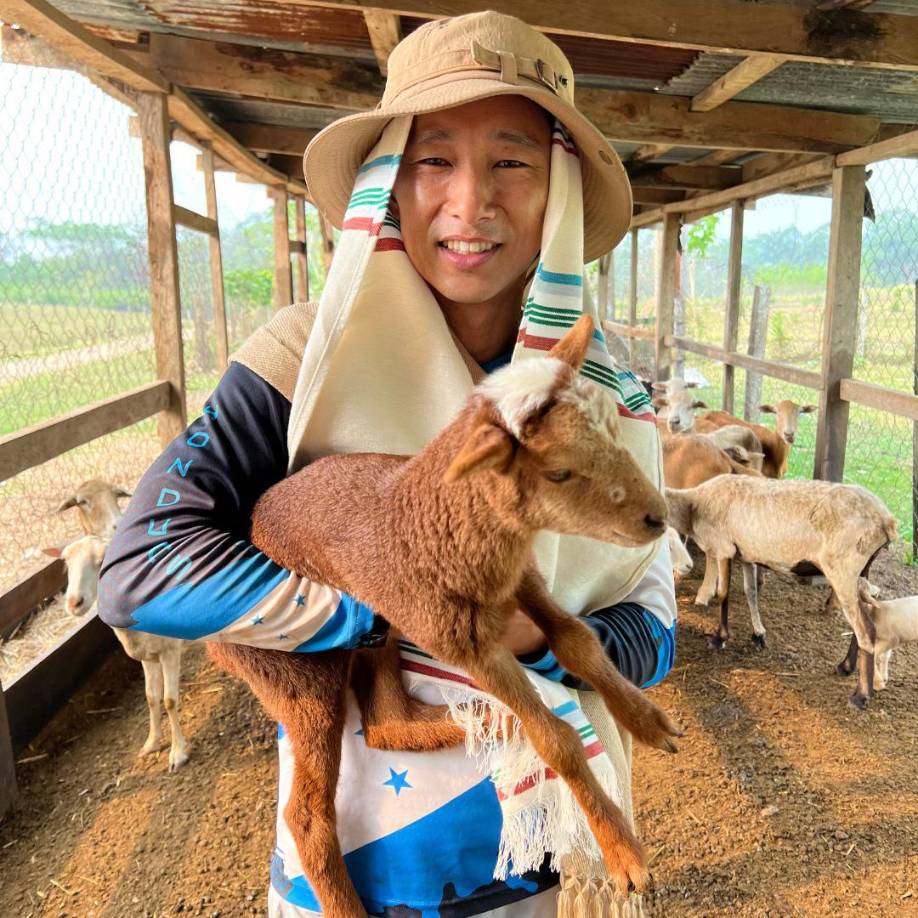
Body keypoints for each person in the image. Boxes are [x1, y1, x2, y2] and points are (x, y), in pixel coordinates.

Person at [98, 11, 676, 917]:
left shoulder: (603, 401)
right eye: (432, 159)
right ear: (388, 184)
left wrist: (538, 638)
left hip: (545, 863)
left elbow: (656, 615)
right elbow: (141, 568)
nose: (470, 201)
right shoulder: (302, 360)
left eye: (514, 161)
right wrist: (401, 612)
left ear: (560, 186)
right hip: (373, 856)